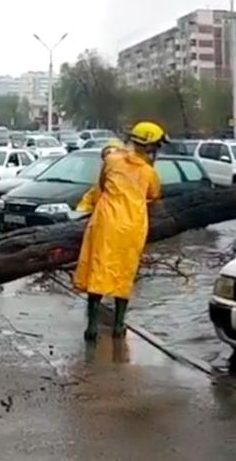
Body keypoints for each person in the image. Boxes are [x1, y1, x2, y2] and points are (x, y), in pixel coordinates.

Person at [73, 123, 165, 341]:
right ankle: (118, 326)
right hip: (132, 224)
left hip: (106, 221)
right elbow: (153, 194)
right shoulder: (148, 172)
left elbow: (102, 184)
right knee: (125, 272)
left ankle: (92, 328)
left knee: (98, 268)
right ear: (152, 146)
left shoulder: (111, 161)